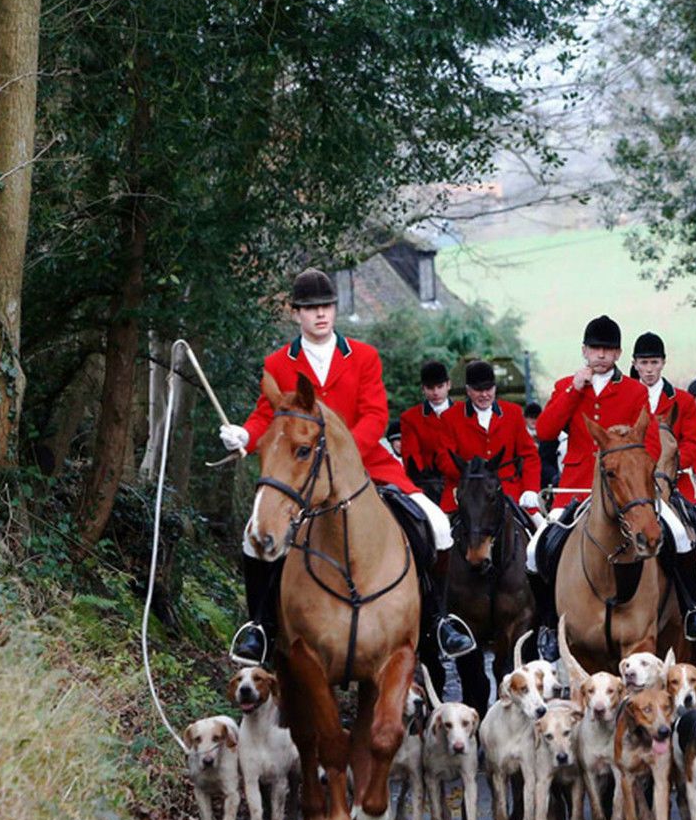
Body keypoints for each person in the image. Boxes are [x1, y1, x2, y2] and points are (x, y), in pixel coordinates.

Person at [218, 268, 475, 664]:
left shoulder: (364, 356)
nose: (320, 315)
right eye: (310, 308)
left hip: (367, 463)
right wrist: (244, 437)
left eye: (326, 306)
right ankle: (260, 628)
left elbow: (375, 413)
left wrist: (344, 454)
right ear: (295, 313)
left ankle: (438, 621)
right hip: (301, 473)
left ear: (334, 309)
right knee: (255, 534)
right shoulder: (278, 363)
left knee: (438, 525)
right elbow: (265, 416)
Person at [526, 315, 664, 655]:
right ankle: (547, 623)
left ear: (618, 354)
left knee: (676, 536)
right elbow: (545, 431)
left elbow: (652, 445)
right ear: (584, 351)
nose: (600, 356)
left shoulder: (634, 391)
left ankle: (688, 608)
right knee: (535, 550)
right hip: (576, 488)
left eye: (607, 350)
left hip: (628, 490)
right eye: (594, 349)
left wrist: (641, 478)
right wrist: (575, 389)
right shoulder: (565, 387)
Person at [633, 332, 696, 623]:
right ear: (635, 364)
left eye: (654, 362)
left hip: (677, 479)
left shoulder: (683, 400)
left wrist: (670, 468)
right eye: (644, 362)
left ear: (663, 363)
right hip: (636, 481)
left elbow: (691, 444)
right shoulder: (625, 396)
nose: (649, 369)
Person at [436, 360, 543, 522]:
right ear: (468, 390)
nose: (485, 394)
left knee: (541, 532)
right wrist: (472, 476)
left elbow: (530, 455)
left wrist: (530, 489)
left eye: (489, 389)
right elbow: (444, 459)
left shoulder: (513, 413)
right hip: (464, 492)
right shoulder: (449, 417)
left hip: (508, 492)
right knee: (439, 535)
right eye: (478, 390)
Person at [399, 361, 455, 499]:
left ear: (449, 385)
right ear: (423, 389)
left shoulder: (465, 412)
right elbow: (411, 455)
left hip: (463, 481)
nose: (435, 393)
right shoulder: (410, 418)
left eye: (440, 387)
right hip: (428, 483)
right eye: (430, 388)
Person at [525, 401, 561, 490]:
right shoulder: (521, 434)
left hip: (545, 476)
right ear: (526, 418)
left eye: (536, 417)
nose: (533, 420)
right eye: (531, 417)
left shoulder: (547, 434)